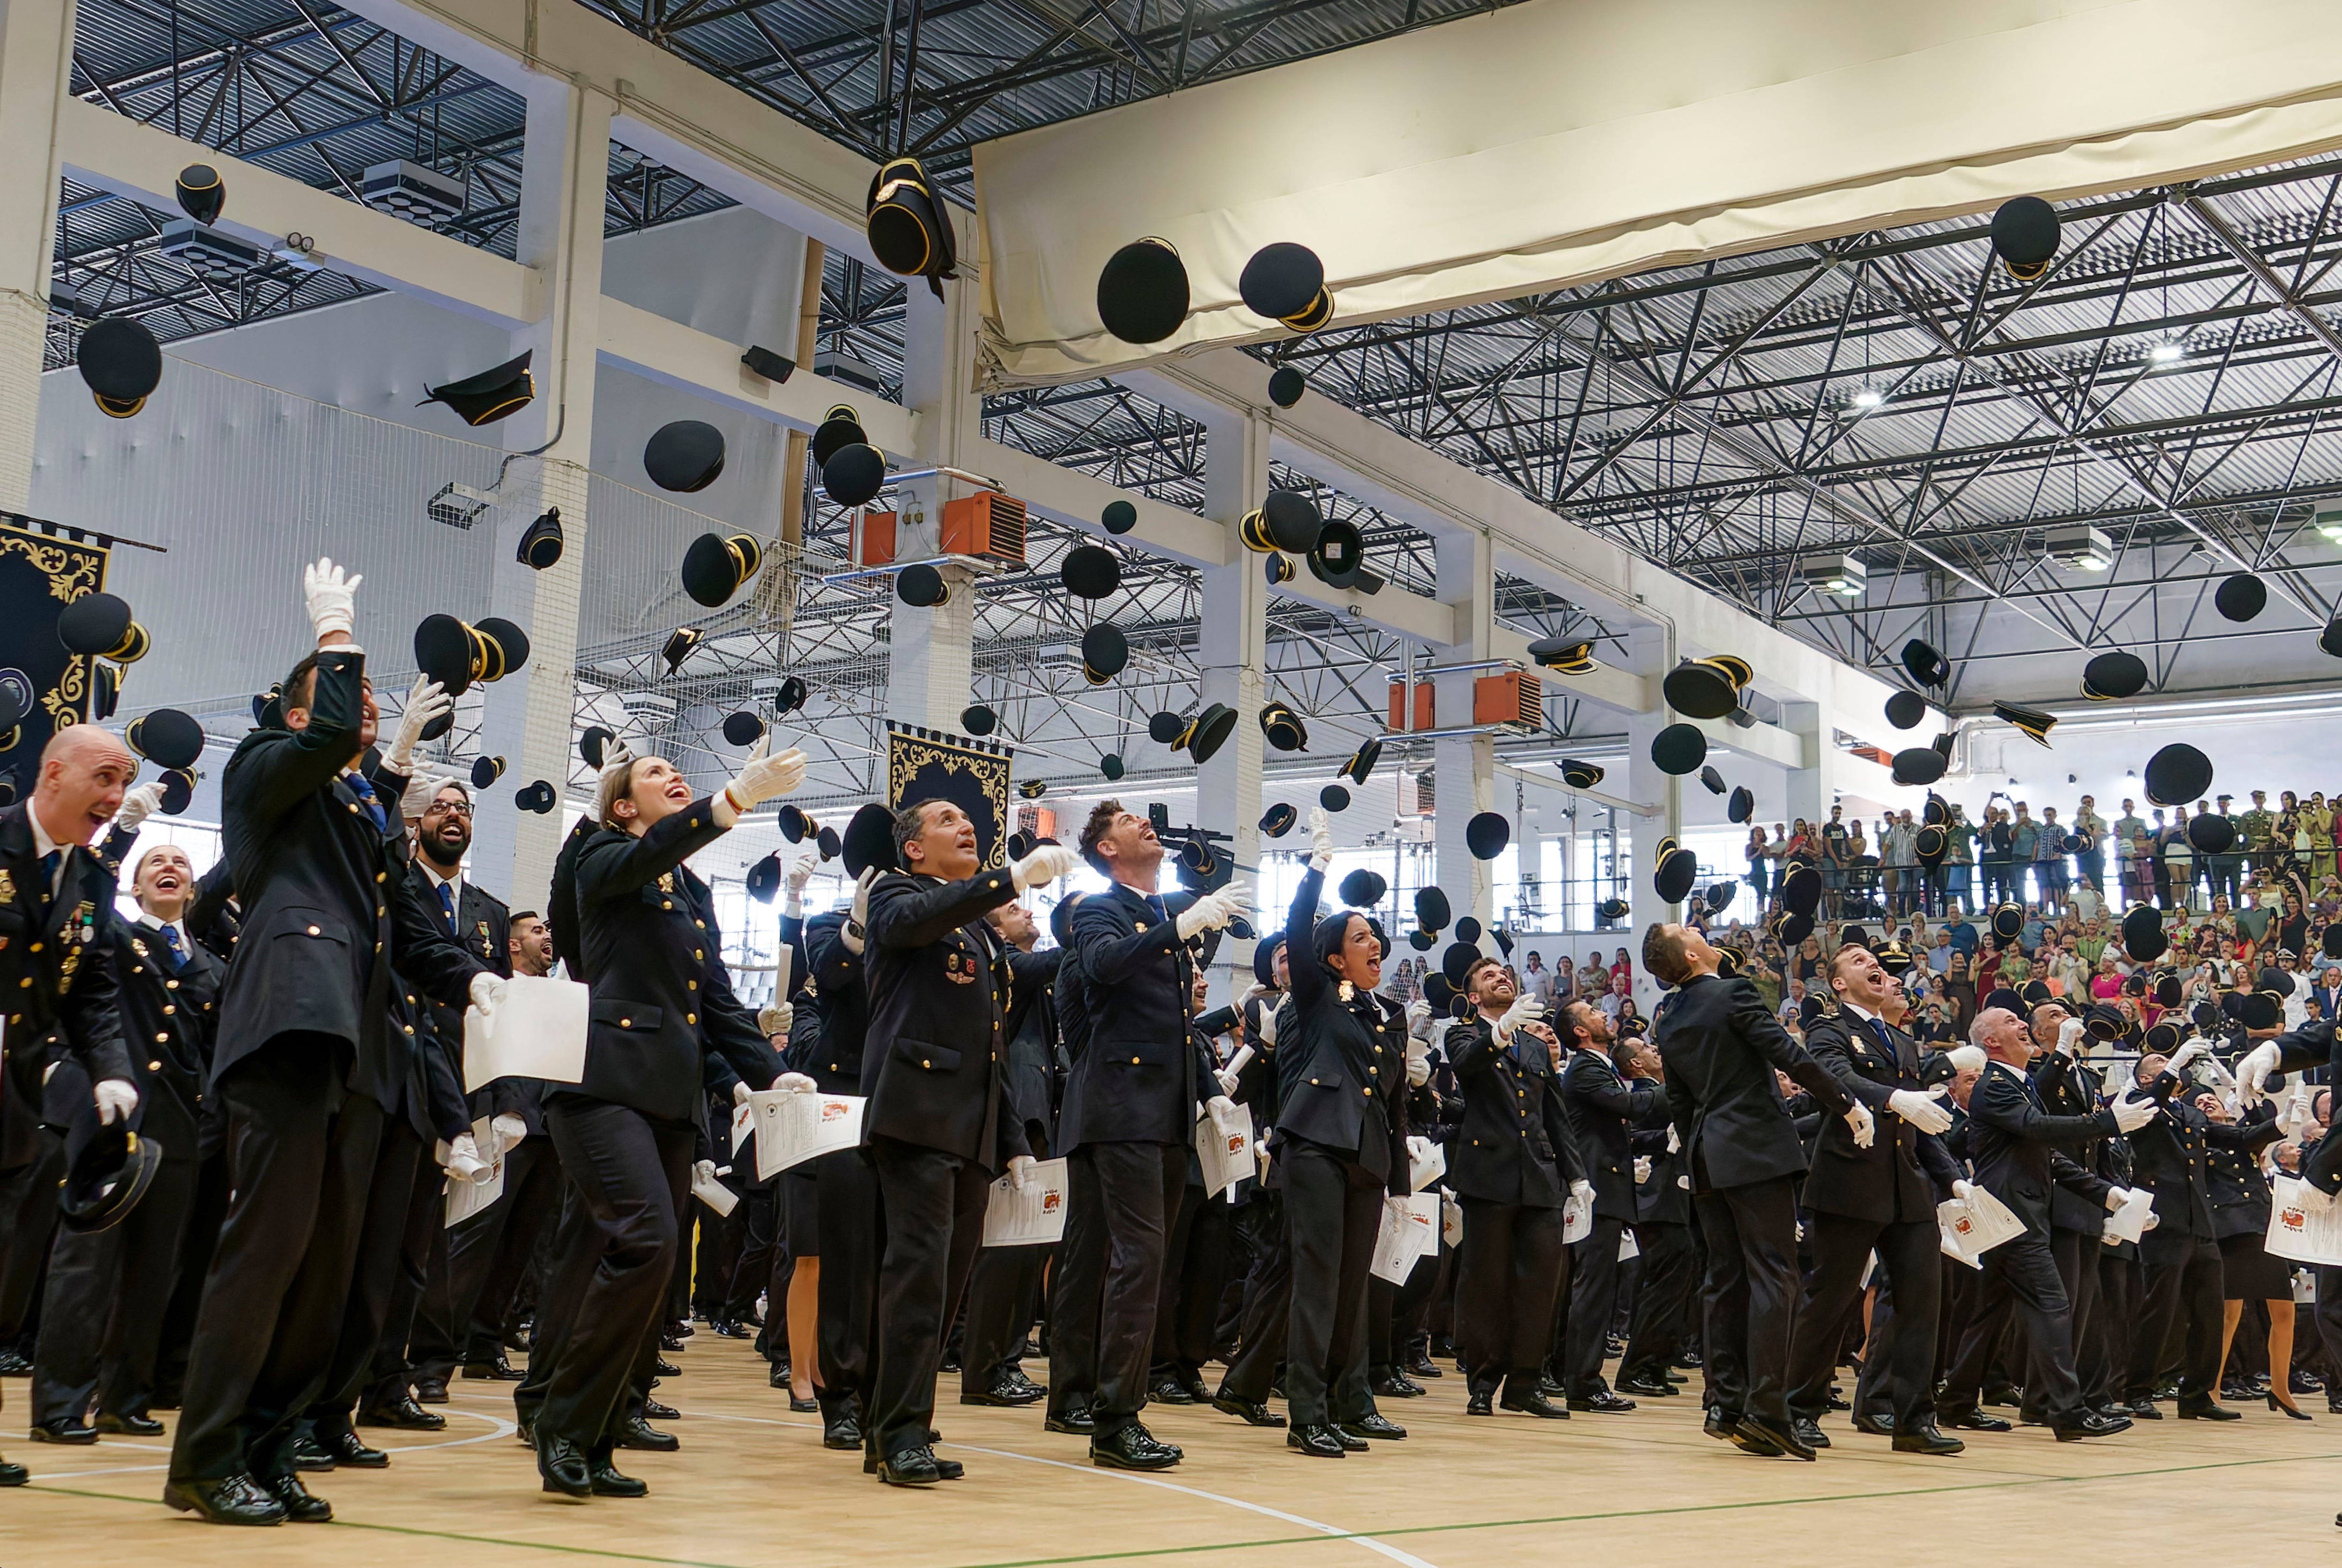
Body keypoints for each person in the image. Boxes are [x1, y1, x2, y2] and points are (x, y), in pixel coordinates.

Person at [166, 561, 499, 1526]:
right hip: (286, 1026)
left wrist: (471, 978)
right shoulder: (264, 767)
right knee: (264, 1252)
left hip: (348, 1044)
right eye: (349, 700)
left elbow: (402, 919)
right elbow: (317, 740)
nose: (365, 712)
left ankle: (269, 1448)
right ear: (297, 708)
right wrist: (336, 630)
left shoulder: (353, 809)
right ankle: (204, 1456)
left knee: (321, 1264)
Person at [527, 735, 800, 1498]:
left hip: (670, 1097)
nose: (672, 773)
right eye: (653, 773)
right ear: (621, 806)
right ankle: (563, 1420)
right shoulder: (603, 860)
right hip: (601, 1086)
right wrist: (733, 799)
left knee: (651, 1266)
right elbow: (644, 857)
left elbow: (712, 999)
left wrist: (770, 1076)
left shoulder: (692, 889)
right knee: (644, 1238)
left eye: (676, 769)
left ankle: (600, 1426)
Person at [860, 803, 1074, 1485]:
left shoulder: (981, 935)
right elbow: (906, 924)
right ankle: (898, 1434)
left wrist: (1011, 1137)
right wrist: (1009, 879)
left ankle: (902, 1424)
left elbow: (991, 1049)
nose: (965, 825)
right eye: (947, 820)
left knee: (946, 1286)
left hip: (970, 1125)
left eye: (968, 820)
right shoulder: (895, 891)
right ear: (915, 849)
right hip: (916, 1116)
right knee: (918, 1280)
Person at [1055, 800, 1245, 1470]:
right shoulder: (1099, 907)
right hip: (1122, 1107)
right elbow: (1104, 966)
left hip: (1155, 1110)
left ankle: (1082, 1399)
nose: (1146, 826)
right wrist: (1182, 927)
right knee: (1135, 1262)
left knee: (1132, 1262)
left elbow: (1171, 1028)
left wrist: (1206, 1095)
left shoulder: (1157, 915)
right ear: (1106, 849)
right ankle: (1115, 1420)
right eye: (1130, 822)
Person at [1644, 920, 1860, 1460]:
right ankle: (1767, 1409)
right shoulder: (1732, 992)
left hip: (1707, 1154)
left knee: (1724, 1278)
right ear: (1690, 956)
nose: (1697, 928)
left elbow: (1679, 1101)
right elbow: (1788, 1056)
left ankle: (1724, 1400)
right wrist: (1847, 1102)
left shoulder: (1668, 1017)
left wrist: (1696, 1157)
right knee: (1774, 1274)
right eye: (1687, 929)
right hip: (1752, 1147)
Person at [24, 792, 200, 1451]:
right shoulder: (112, 931)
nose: (169, 867)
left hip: (180, 1131)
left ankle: (127, 1397)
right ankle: (62, 1405)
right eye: (156, 860)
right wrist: (123, 835)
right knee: (85, 1266)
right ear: (135, 881)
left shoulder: (208, 956)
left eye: (180, 861)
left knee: (156, 1271)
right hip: (110, 1118)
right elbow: (87, 896)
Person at [1783, 942, 1964, 1454]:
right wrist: (1890, 1097)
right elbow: (1834, 1078)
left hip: (1906, 1187)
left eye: (1876, 962)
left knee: (1920, 1304)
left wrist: (1951, 1181)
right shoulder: (1829, 1028)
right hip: (1849, 1181)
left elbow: (1920, 1125)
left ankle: (1912, 1418)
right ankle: (1797, 1408)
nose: (1874, 965)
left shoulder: (1903, 1043)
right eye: (1859, 960)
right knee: (1831, 1300)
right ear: (1838, 983)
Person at [1936, 1006, 2149, 1440]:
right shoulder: (1996, 1085)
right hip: (2013, 1215)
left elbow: (2044, 1154)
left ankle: (1956, 1403)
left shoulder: (2021, 1082)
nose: (2022, 1025)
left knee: (1990, 1316)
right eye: (2012, 1021)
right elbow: (2038, 1128)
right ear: (1991, 1041)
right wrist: (2107, 1121)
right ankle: (2067, 1411)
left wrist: (2104, 1193)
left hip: (2014, 1212)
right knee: (2052, 1306)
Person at [1272, 808, 1409, 1458]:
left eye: (1376, 938)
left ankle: (1353, 1401)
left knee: (1356, 1285)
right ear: (1334, 957)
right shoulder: (1317, 993)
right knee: (1319, 1281)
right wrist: (1315, 873)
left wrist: (1402, 1181)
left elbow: (1392, 1103)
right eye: (1361, 937)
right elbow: (1298, 935)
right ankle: (1307, 1412)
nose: (1374, 943)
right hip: (1317, 1146)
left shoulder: (1383, 1017)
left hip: (1367, 1155)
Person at [1444, 956, 1580, 1418]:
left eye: (1504, 974)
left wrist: (1576, 1177)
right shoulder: (1463, 1033)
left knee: (1540, 1286)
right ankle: (1482, 1381)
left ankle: (1525, 1382)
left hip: (1540, 1177)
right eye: (1488, 977)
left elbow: (1554, 1116)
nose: (1501, 978)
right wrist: (1499, 1031)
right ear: (1475, 997)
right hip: (1489, 1175)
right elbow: (1467, 1065)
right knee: (1486, 1285)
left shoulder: (1536, 1046)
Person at [1556, 996, 1656, 1413]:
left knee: (1598, 1287)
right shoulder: (1585, 1068)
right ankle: (1583, 1381)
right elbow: (1629, 1107)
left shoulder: (1600, 1067)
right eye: (1593, 1013)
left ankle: (1585, 1377)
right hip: (1595, 1191)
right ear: (1581, 1031)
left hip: (1607, 1189)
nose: (1603, 1014)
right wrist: (1680, 1093)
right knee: (1593, 1289)